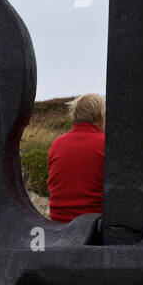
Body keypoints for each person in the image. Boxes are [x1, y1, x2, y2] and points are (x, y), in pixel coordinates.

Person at [46, 94, 106, 223]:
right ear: (100, 118)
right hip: (94, 223)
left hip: (58, 221)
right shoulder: (106, 144)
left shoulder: (57, 144)